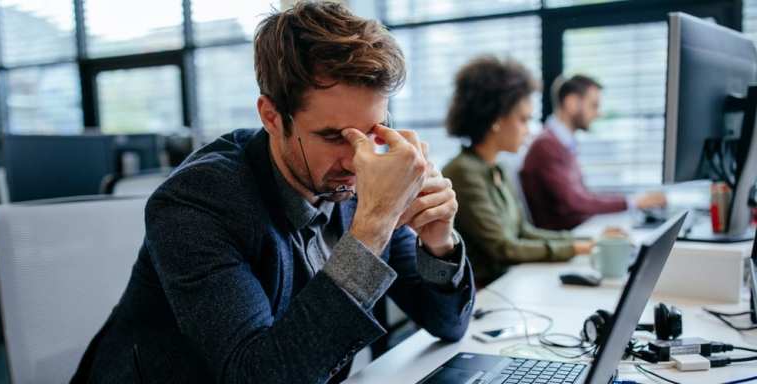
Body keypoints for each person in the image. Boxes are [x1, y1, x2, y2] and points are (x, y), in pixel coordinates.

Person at [72, 2, 475, 383]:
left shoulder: (361, 182)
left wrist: (439, 239)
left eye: (372, 133)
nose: (357, 160)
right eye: (333, 136)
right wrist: (373, 227)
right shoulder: (196, 204)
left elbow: (449, 323)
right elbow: (259, 375)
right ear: (270, 116)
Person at [442, 56, 593, 287]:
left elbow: (523, 231)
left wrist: (587, 240)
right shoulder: (462, 172)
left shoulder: (499, 167)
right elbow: (504, 248)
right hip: (484, 294)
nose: (528, 130)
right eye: (523, 119)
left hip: (510, 283)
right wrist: (575, 247)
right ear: (497, 120)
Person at [520, 74, 667, 231]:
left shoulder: (562, 142)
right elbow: (575, 202)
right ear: (572, 103)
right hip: (565, 239)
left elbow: (582, 196)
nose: (599, 113)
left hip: (578, 231)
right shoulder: (546, 145)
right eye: (594, 105)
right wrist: (633, 202)